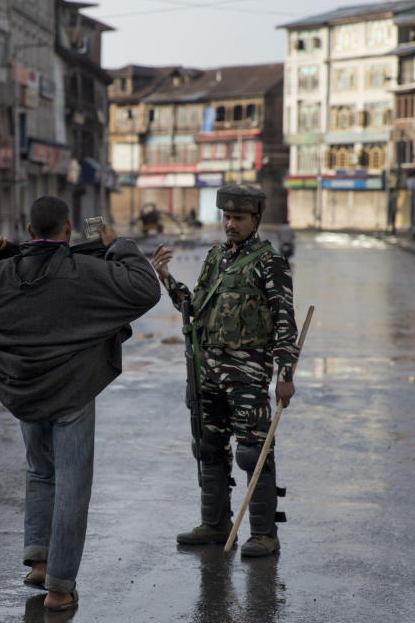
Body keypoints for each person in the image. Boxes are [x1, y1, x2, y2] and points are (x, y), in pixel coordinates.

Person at [0, 196, 160, 611]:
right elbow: (145, 288)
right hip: (72, 392)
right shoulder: (86, 272)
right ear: (68, 230)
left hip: (25, 389)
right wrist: (117, 244)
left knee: (41, 472)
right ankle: (60, 587)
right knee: (72, 485)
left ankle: (39, 561)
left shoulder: (3, 273)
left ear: (28, 233)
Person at [150, 184, 299, 558]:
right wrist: (166, 277)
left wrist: (285, 376)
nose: (230, 224)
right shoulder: (216, 258)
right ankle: (215, 524)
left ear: (255, 220)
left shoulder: (270, 263)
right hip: (208, 369)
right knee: (208, 446)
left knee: (253, 451)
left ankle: (264, 534)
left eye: (239, 218)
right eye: (227, 217)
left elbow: (285, 323)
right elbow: (194, 308)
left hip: (247, 371)